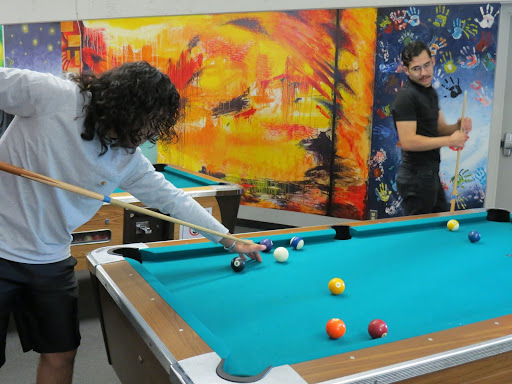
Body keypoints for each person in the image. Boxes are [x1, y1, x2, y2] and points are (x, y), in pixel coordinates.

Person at [0, 61, 266, 384]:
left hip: (50, 258)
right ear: (125, 105)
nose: (148, 134)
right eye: (147, 122)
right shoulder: (53, 96)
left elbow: (172, 199)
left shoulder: (126, 159)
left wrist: (230, 239)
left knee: (61, 354)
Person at [392, 41, 472, 216]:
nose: (424, 73)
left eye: (427, 65)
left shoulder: (430, 93)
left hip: (431, 176)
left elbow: (439, 128)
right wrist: (450, 140)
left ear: (433, 61)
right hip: (415, 179)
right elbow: (408, 142)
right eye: (416, 68)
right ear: (406, 70)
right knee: (419, 237)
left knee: (440, 227)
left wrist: (457, 127)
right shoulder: (405, 97)